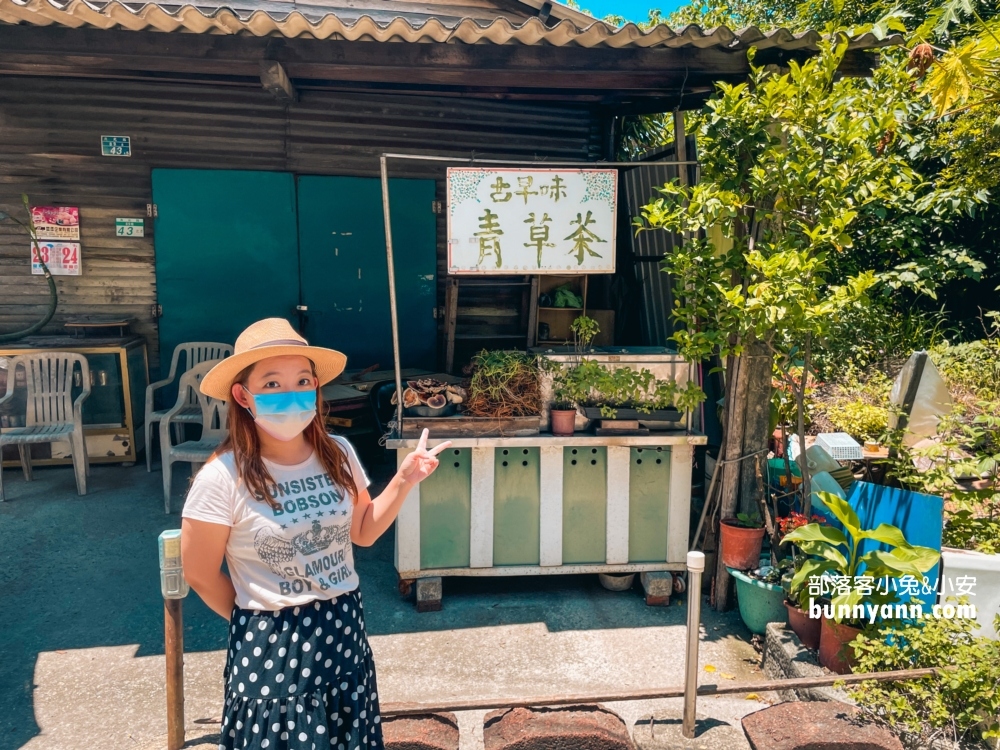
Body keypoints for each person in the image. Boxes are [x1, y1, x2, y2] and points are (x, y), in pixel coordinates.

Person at [181, 318, 450, 750]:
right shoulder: (222, 476)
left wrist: (403, 481)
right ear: (242, 395)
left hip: (344, 626)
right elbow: (198, 572)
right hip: (270, 643)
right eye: (272, 384)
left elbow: (362, 532)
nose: (291, 394)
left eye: (303, 380)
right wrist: (258, 619)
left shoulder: (338, 452)